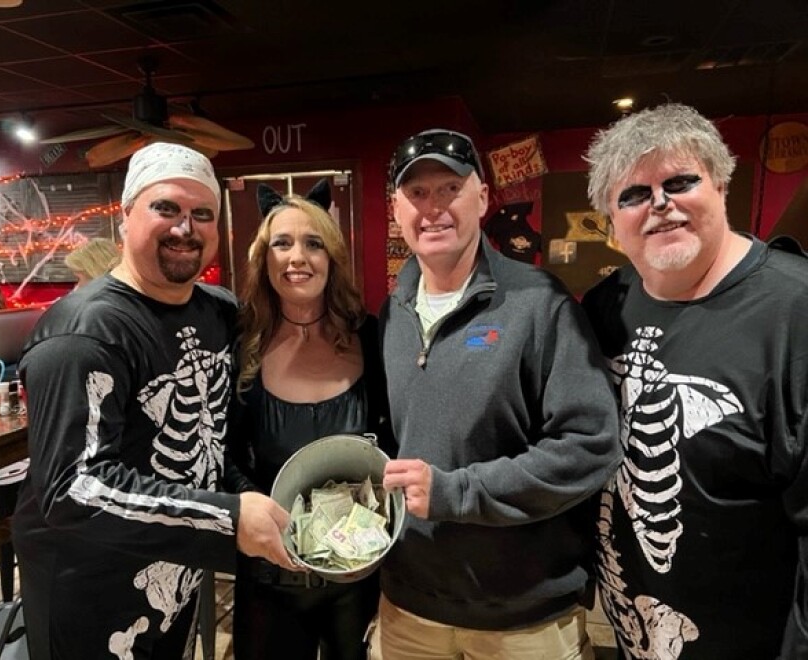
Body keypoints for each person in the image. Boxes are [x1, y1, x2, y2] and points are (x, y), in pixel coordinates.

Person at [12, 142, 298, 660]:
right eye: (165, 208)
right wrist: (230, 518)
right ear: (125, 217)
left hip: (177, 572)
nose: (185, 228)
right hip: (92, 592)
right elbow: (73, 490)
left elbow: (215, 441)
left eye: (201, 214)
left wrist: (252, 498)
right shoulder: (84, 334)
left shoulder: (218, 311)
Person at [373, 128, 621, 659]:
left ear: (482, 199)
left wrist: (456, 492)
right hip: (409, 607)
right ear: (396, 209)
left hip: (521, 615)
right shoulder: (391, 313)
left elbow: (590, 445)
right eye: (416, 193)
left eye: (449, 189)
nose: (432, 208)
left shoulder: (539, 303)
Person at [581, 103, 808, 659]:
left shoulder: (794, 311)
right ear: (612, 222)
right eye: (632, 195)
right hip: (632, 632)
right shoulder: (605, 306)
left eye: (680, 181)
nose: (659, 204)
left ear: (722, 184)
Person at [223, 179, 393, 660]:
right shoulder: (240, 343)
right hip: (268, 573)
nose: (297, 257)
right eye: (282, 243)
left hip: (357, 572)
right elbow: (223, 452)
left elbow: (393, 440)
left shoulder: (371, 336)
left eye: (313, 243)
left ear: (332, 257)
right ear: (264, 258)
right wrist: (255, 508)